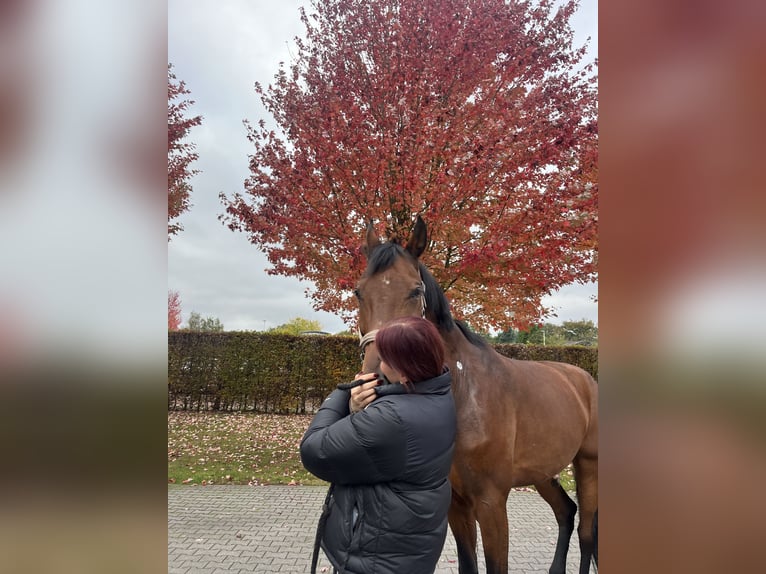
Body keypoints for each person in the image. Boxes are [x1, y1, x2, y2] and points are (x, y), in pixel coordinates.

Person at [300, 316, 457, 574]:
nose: (381, 365)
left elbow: (314, 450)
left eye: (385, 358)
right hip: (410, 549)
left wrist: (343, 392)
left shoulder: (391, 419)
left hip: (375, 557)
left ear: (404, 370)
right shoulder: (439, 393)